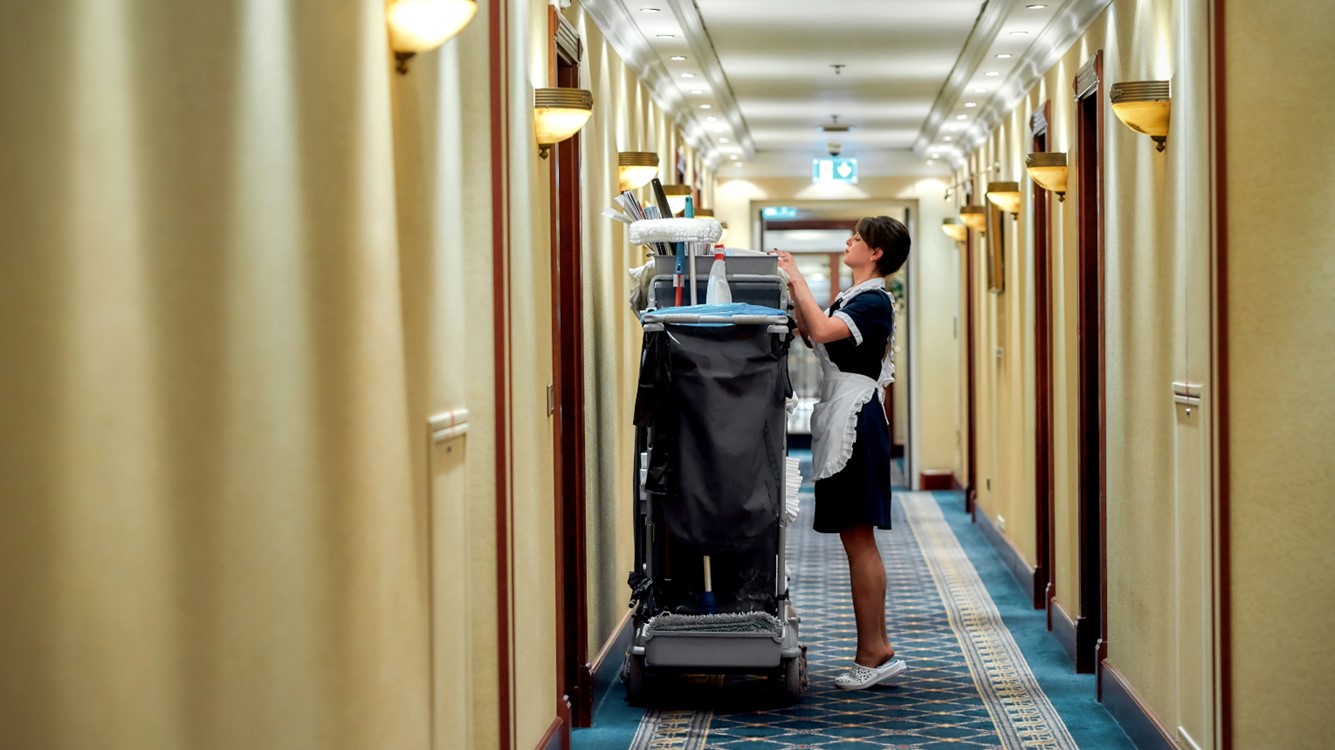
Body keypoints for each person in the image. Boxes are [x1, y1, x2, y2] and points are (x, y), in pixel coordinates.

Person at [774, 216, 910, 690]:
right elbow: (813, 333)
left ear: (876, 252)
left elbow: (820, 328)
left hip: (857, 418)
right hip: (843, 410)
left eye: (857, 238)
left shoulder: (873, 301)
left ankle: (874, 651)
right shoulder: (853, 297)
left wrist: (795, 276)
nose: (848, 241)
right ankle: (875, 646)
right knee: (856, 538)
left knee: (859, 538)